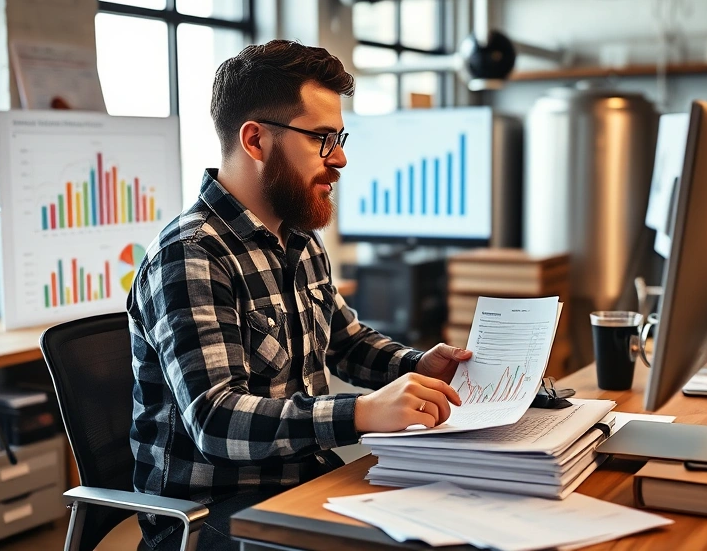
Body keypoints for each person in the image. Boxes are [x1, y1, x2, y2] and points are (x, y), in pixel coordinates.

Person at [127, 39, 472, 551]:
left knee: (455, 524)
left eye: (339, 136)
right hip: (208, 516)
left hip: (303, 482)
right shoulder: (191, 255)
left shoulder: (301, 240)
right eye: (321, 138)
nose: (340, 158)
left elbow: (346, 343)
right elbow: (215, 420)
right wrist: (359, 413)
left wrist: (420, 367)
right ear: (255, 140)